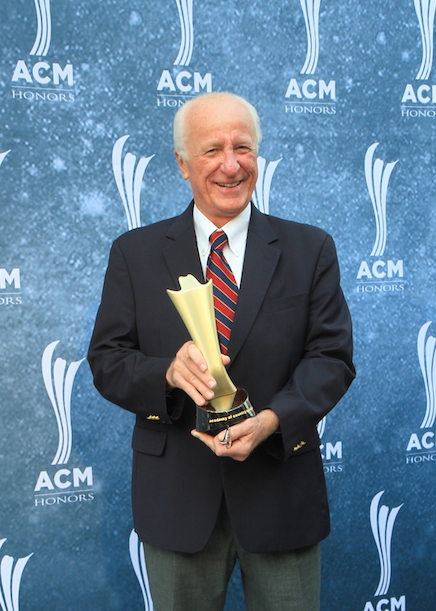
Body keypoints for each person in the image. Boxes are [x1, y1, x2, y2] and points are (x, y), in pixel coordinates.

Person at [88, 91, 355, 611]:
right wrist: (166, 372)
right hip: (177, 498)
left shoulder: (310, 249)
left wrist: (274, 419)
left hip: (281, 489)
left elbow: (332, 358)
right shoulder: (135, 254)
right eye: (212, 150)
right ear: (182, 163)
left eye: (244, 148)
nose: (231, 165)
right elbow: (107, 360)